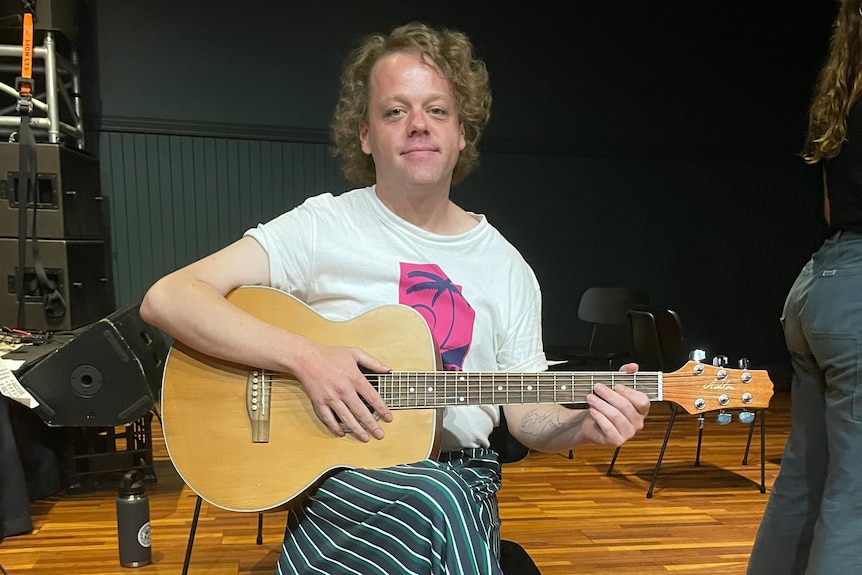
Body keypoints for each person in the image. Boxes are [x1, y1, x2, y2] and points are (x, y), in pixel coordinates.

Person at [140, 21, 650, 575]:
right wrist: (307, 358)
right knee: (434, 497)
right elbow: (169, 298)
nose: (418, 126)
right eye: (394, 111)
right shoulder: (322, 226)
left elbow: (525, 414)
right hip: (345, 487)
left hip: (463, 480)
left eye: (438, 110)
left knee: (440, 494)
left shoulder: (507, 267)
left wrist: (581, 427)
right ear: (364, 134)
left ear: (461, 135)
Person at [747, 2, 862, 574]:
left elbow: (830, 206)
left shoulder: (847, 87)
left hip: (821, 284)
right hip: (856, 298)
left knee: (804, 480)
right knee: (856, 497)